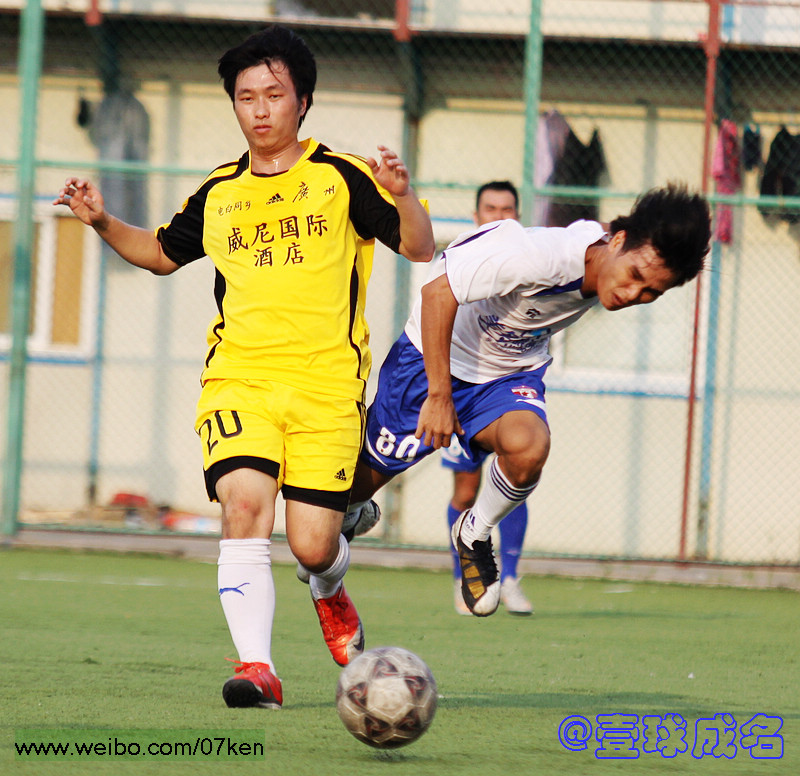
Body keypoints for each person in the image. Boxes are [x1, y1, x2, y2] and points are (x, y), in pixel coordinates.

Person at [54, 25, 434, 708]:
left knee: (312, 545)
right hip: (240, 379)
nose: (259, 109)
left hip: (326, 387)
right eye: (246, 96)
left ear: (303, 101)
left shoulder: (343, 178)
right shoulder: (220, 191)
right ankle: (259, 669)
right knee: (244, 507)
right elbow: (161, 253)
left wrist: (403, 196)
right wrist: (102, 221)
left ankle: (328, 585)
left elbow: (418, 246)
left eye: (274, 95)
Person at [345, 183, 710, 616]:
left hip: (507, 373)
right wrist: (439, 395)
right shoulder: (542, 257)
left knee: (530, 447)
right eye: (634, 275)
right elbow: (437, 293)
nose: (633, 294)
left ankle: (474, 532)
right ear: (617, 241)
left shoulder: (612, 252)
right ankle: (351, 515)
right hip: (433, 359)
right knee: (337, 508)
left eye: (651, 292)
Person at [442, 181, 532, 616]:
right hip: (462, 389)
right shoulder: (459, 260)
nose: (498, 215)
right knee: (465, 488)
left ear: (518, 216)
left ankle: (508, 578)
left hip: (507, 388)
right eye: (490, 208)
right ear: (476, 216)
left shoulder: (531, 264)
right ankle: (467, 580)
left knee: (513, 479)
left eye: (507, 208)